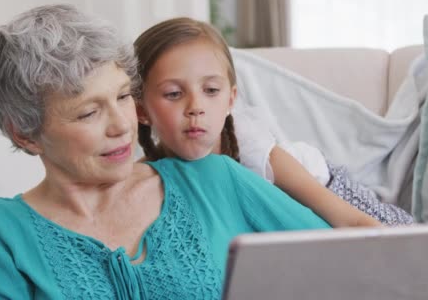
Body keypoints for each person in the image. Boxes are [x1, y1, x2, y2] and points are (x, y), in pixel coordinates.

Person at [0, 4, 333, 299]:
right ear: (25, 134)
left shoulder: (215, 178)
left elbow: (347, 268)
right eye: (89, 112)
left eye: (122, 96)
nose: (122, 125)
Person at [133, 17, 413, 227]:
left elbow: (352, 221)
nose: (195, 107)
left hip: (330, 189)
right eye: (173, 94)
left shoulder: (256, 153)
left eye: (211, 91)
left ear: (231, 100)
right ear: (141, 111)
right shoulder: (145, 175)